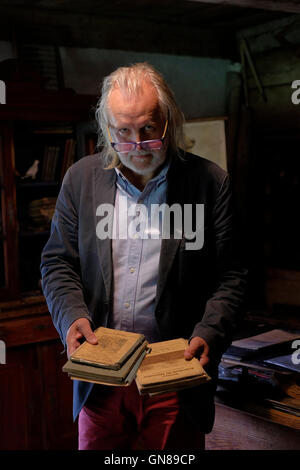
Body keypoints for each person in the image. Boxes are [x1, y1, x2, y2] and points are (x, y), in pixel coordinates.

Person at [40, 62, 247, 450]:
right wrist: (70, 317)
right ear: (107, 129)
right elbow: (57, 263)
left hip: (175, 380)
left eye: (148, 130)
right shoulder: (80, 180)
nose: (137, 146)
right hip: (100, 381)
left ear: (168, 121)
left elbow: (232, 276)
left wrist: (210, 332)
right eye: (124, 132)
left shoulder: (210, 182)